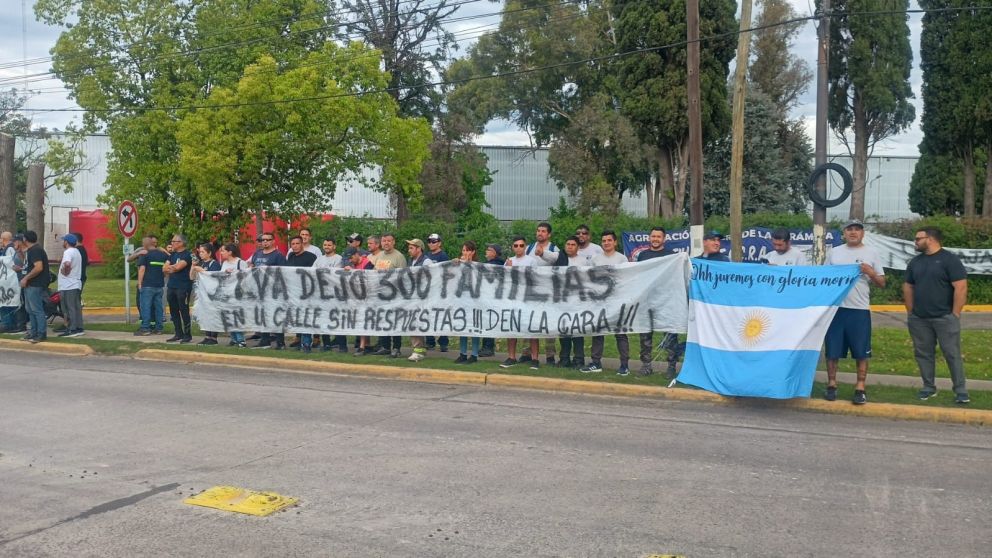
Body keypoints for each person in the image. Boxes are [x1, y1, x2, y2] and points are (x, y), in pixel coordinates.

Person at [903, 227, 970, 404]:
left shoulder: (950, 260)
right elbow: (908, 286)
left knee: (952, 354)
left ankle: (961, 390)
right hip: (919, 319)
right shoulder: (915, 262)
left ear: (931, 239)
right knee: (923, 354)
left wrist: (954, 314)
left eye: (918, 239)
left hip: (945, 318)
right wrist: (911, 312)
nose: (915, 242)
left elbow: (961, 287)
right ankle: (928, 388)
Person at [823, 219, 885, 405]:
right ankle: (832, 385)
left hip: (859, 310)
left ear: (862, 233)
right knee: (832, 350)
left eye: (857, 229)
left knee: (861, 352)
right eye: (849, 229)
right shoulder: (834, 253)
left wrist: (871, 272)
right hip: (836, 309)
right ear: (844, 233)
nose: (853, 232)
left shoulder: (871, 253)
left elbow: (882, 283)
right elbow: (823, 279)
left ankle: (860, 387)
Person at [582, 230, 632, 376]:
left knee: (620, 334)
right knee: (597, 332)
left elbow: (627, 279)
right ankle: (596, 362)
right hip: (600, 301)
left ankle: (624, 365)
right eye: (603, 241)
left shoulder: (622, 259)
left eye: (609, 240)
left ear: (615, 242)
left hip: (617, 301)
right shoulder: (595, 260)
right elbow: (589, 279)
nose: (606, 243)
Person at [635, 227, 677, 376]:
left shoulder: (671, 256)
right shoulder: (643, 255)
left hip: (666, 301)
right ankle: (646, 365)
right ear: (649, 238)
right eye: (653, 236)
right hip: (647, 300)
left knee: (670, 334)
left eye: (659, 237)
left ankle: (671, 366)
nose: (655, 239)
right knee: (645, 334)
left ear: (664, 239)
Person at [500, 236, 541, 370]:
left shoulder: (531, 261)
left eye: (521, 245)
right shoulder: (508, 261)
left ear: (525, 247)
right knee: (512, 330)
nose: (518, 248)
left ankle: (535, 359)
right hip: (512, 300)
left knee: (532, 330)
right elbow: (503, 281)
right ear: (512, 247)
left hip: (528, 299)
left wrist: (514, 271)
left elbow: (534, 279)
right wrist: (508, 269)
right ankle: (511, 357)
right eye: (516, 245)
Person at [527, 222, 559, 363]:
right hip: (531, 293)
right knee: (529, 322)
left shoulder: (553, 248)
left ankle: (550, 355)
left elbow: (555, 259)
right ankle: (527, 353)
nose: (540, 233)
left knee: (549, 324)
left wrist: (542, 253)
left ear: (549, 234)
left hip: (548, 293)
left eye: (543, 231)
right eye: (538, 230)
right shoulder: (528, 248)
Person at [250, 232, 287, 349]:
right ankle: (264, 340)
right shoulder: (257, 254)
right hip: (259, 290)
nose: (265, 242)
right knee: (263, 316)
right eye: (263, 240)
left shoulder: (278, 256)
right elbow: (252, 267)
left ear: (273, 241)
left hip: (274, 291)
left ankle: (280, 342)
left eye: (267, 240)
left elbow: (284, 273)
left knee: (276, 316)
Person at [372, 233, 406, 357]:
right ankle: (385, 346)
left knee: (395, 321)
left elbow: (403, 276)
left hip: (395, 295)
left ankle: (396, 348)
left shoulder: (399, 256)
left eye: (389, 241)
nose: (386, 243)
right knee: (383, 320)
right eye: (384, 241)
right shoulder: (379, 256)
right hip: (381, 295)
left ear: (393, 242)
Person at [556, 236, 587, 368]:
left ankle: (579, 359)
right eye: (567, 244)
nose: (569, 246)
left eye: (572, 244)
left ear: (578, 247)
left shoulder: (584, 261)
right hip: (563, 300)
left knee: (577, 331)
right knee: (564, 331)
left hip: (578, 300)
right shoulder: (560, 259)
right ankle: (564, 359)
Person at [285, 236, 318, 352]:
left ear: (302, 244)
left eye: (297, 243)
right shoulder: (291, 256)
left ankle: (307, 344)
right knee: (297, 318)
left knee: (306, 318)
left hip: (306, 293)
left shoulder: (311, 257)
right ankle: (299, 342)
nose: (294, 246)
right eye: (292, 244)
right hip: (293, 292)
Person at [314, 238, 346, 352]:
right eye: (325, 245)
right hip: (322, 294)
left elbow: (336, 275)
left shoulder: (339, 258)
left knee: (338, 320)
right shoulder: (319, 259)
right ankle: (326, 344)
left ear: (334, 246)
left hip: (336, 294)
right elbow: (312, 273)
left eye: (329, 245)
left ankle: (343, 346)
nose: (327, 247)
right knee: (324, 320)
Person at [405, 239, 434, 362]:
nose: (409, 250)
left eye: (412, 248)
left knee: (417, 322)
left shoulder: (426, 261)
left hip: (422, 297)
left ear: (419, 249)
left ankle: (419, 350)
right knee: (413, 322)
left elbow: (430, 277)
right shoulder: (412, 261)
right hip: (414, 296)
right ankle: (418, 349)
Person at [134, 236, 169, 335]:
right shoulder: (162, 255)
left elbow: (142, 269)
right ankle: (159, 329)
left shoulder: (145, 254)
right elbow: (168, 264)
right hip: (159, 285)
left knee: (145, 307)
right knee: (158, 308)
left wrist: (140, 283)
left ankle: (145, 328)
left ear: (145, 244)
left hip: (147, 285)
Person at [343, 247, 374, 355]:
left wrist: (353, 272)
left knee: (363, 321)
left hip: (368, 297)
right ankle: (366, 345)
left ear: (357, 254)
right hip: (359, 298)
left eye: (351, 258)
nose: (350, 261)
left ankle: (362, 347)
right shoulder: (354, 266)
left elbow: (368, 278)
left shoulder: (368, 263)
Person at [20, 230, 49, 343]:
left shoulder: (36, 250)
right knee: (30, 309)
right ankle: (33, 332)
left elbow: (38, 267)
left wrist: (26, 278)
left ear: (25, 239)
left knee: (36, 309)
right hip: (30, 284)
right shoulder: (31, 250)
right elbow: (29, 265)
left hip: (36, 284)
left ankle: (41, 333)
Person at [453, 241, 481, 364]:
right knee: (462, 327)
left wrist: (469, 264)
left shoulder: (478, 265)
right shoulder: (458, 264)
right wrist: (454, 264)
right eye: (463, 250)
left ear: (473, 252)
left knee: (474, 327)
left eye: (468, 250)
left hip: (475, 301)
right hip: (462, 300)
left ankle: (474, 355)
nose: (465, 253)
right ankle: (463, 353)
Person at [163, 234, 194, 344]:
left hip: (183, 287)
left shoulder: (188, 255)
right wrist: (170, 268)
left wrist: (171, 268)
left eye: (174, 241)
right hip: (172, 286)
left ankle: (187, 334)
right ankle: (178, 333)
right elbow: (164, 268)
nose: (171, 243)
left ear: (181, 243)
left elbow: (178, 267)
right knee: (173, 310)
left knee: (184, 310)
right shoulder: (172, 255)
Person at [191, 242, 222, 345]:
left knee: (212, 315)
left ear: (209, 253)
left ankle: (214, 338)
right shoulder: (202, 264)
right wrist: (193, 266)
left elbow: (214, 277)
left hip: (212, 294)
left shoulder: (215, 264)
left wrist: (202, 271)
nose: (200, 254)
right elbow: (192, 277)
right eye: (200, 252)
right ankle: (207, 336)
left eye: (203, 252)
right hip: (203, 294)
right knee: (205, 315)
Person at [424, 233, 450, 352]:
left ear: (439, 243)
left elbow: (446, 272)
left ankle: (443, 342)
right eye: (429, 241)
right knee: (428, 315)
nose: (431, 243)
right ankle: (430, 341)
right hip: (429, 290)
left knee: (441, 316)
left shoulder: (443, 255)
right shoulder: (426, 255)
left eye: (434, 241)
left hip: (440, 290)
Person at [217, 243, 247, 347]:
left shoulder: (240, 262)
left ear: (230, 252)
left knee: (236, 316)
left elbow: (245, 276)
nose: (221, 253)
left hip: (237, 293)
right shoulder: (224, 263)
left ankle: (241, 339)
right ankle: (233, 338)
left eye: (223, 251)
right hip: (226, 292)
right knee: (228, 316)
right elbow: (220, 276)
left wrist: (234, 273)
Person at [56, 233, 85, 337]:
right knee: (76, 307)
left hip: (68, 285)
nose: (63, 242)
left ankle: (72, 328)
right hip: (76, 283)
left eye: (64, 241)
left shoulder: (68, 252)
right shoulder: (77, 251)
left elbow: (67, 264)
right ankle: (79, 327)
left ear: (66, 242)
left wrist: (65, 271)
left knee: (68, 307)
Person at [479, 244, 505, 357]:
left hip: (492, 298)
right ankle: (486, 346)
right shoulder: (494, 264)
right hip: (488, 297)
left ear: (495, 253)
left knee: (489, 322)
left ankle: (488, 347)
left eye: (489, 250)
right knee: (487, 322)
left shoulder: (495, 265)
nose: (486, 251)